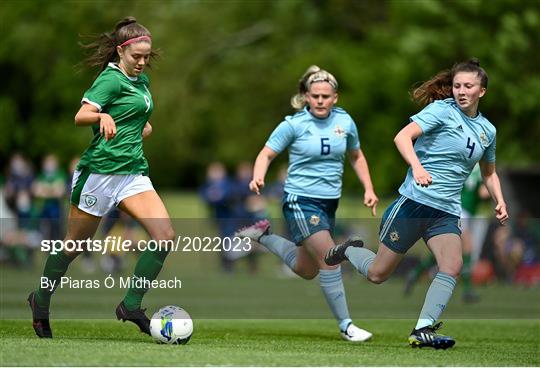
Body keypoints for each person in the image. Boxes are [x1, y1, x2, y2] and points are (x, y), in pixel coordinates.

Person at [325, 59, 509, 349]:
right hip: (414, 203)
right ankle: (348, 250)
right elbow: (402, 137)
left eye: (468, 86)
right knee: (377, 274)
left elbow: (489, 173)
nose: (461, 91)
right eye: (457, 85)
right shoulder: (441, 110)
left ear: (481, 92)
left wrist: (499, 200)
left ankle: (422, 329)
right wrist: (418, 167)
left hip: (446, 210)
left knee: (452, 265)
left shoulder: (488, 130)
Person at [28, 16, 174, 339]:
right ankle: (40, 300)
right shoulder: (109, 79)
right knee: (74, 246)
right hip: (99, 175)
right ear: (121, 51)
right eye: (136, 56)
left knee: (165, 236)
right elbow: (81, 116)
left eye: (146, 57)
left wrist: (136, 130)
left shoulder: (142, 83)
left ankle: (131, 305)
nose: (142, 62)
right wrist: (103, 115)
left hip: (133, 173)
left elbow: (140, 122)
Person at [236, 65, 378, 342]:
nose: (321, 100)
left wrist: (369, 188)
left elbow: (356, 156)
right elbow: (266, 154)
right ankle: (347, 325)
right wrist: (258, 177)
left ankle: (263, 236)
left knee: (307, 269)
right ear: (306, 97)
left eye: (326, 96)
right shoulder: (294, 124)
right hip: (300, 200)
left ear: (335, 97)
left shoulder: (345, 122)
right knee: (330, 259)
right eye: (315, 96)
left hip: (329, 203)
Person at [403, 163, 489, 303]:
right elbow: (483, 193)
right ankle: (467, 291)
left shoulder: (464, 162)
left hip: (453, 209)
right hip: (463, 211)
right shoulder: (480, 168)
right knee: (467, 248)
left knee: (447, 251)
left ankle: (415, 273)